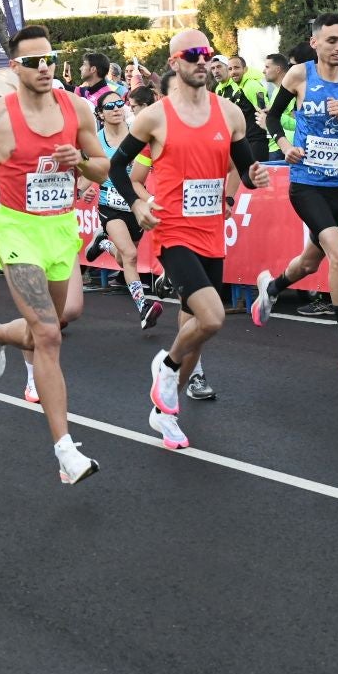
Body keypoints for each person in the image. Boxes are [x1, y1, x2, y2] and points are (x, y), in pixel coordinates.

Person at [0, 25, 108, 484]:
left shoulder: (76, 108)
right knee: (48, 335)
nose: (45, 67)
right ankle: (65, 451)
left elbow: (103, 167)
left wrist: (80, 162)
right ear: (14, 67)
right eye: (34, 61)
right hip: (17, 229)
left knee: (51, 325)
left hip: (60, 229)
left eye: (51, 58)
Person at [108, 29, 269, 449]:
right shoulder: (154, 117)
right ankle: (166, 367)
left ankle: (165, 414)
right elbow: (117, 168)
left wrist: (255, 175)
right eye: (193, 54)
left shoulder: (230, 113)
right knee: (212, 317)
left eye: (207, 53)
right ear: (174, 63)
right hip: (173, 231)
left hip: (211, 232)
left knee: (198, 327)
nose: (202, 60)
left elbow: (245, 168)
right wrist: (137, 204)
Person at [255, 13, 338, 378]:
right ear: (315, 43)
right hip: (306, 182)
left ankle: (272, 286)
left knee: (311, 262)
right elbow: (273, 118)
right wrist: (285, 146)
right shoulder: (299, 76)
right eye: (332, 40)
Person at [83, 90, 164, 329]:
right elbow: (88, 173)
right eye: (110, 106)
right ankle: (143, 307)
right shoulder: (96, 140)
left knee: (123, 257)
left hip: (135, 204)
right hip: (110, 205)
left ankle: (103, 243)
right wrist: (83, 190)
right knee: (130, 256)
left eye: (120, 103)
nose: (117, 108)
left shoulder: (136, 133)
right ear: (100, 114)